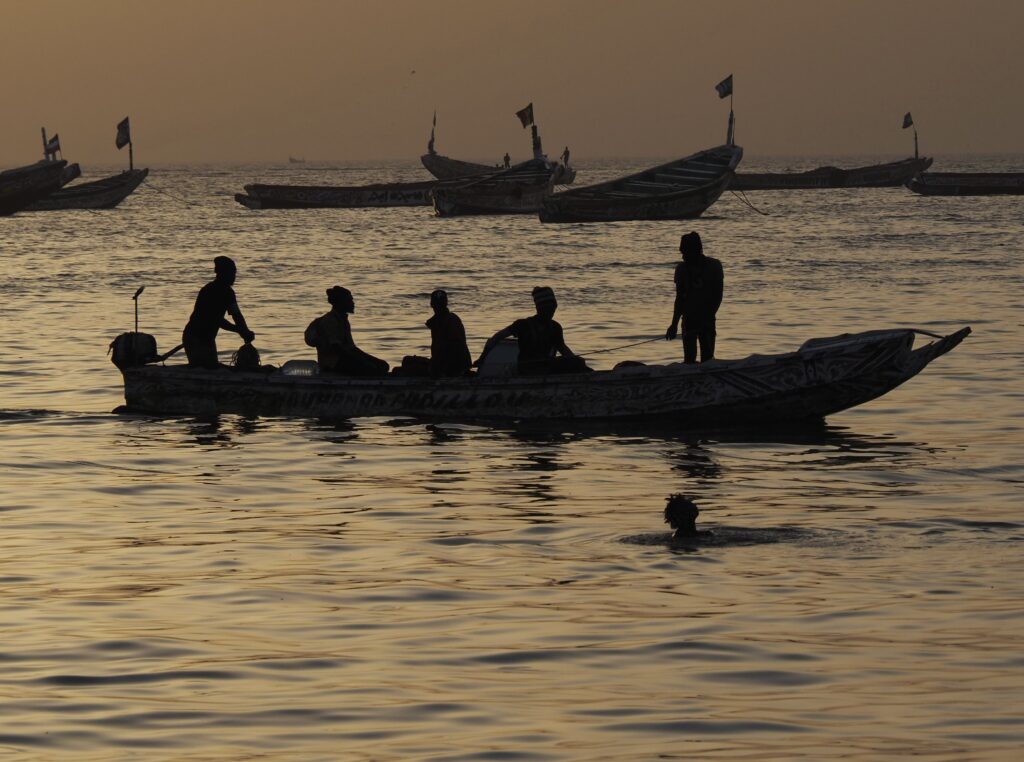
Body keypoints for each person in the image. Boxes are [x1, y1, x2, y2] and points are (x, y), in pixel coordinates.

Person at [477, 286, 589, 375]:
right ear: (539, 308)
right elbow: (497, 337)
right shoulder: (523, 325)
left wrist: (576, 362)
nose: (551, 312)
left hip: (547, 366)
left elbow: (563, 349)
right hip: (527, 368)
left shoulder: (555, 327)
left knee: (578, 362)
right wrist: (482, 359)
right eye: (548, 309)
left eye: (553, 308)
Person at [182, 256, 255, 369]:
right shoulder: (209, 291)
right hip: (195, 337)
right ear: (221, 273)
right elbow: (217, 320)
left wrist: (245, 331)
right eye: (231, 273)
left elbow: (237, 315)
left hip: (208, 339)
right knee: (205, 369)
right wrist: (239, 330)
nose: (233, 277)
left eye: (234, 273)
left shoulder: (229, 293)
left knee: (211, 367)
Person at [665, 231, 723, 363]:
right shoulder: (681, 269)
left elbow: (718, 296)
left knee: (708, 359)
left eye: (686, 252)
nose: (683, 257)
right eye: (682, 253)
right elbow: (679, 298)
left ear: (697, 250)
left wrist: (708, 315)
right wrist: (674, 324)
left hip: (707, 319)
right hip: (689, 320)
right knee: (689, 360)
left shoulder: (714, 266)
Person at [304, 286, 389, 376]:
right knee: (372, 369)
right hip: (332, 364)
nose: (353, 303)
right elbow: (337, 348)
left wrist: (373, 360)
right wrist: (361, 361)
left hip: (344, 360)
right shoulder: (330, 321)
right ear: (340, 303)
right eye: (349, 300)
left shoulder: (342, 320)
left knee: (382, 366)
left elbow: (351, 348)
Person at [426, 290, 472, 377]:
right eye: (437, 304)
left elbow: (455, 348)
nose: (438, 307)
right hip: (444, 365)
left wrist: (441, 370)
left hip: (453, 367)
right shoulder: (437, 321)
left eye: (440, 304)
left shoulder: (451, 320)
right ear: (432, 304)